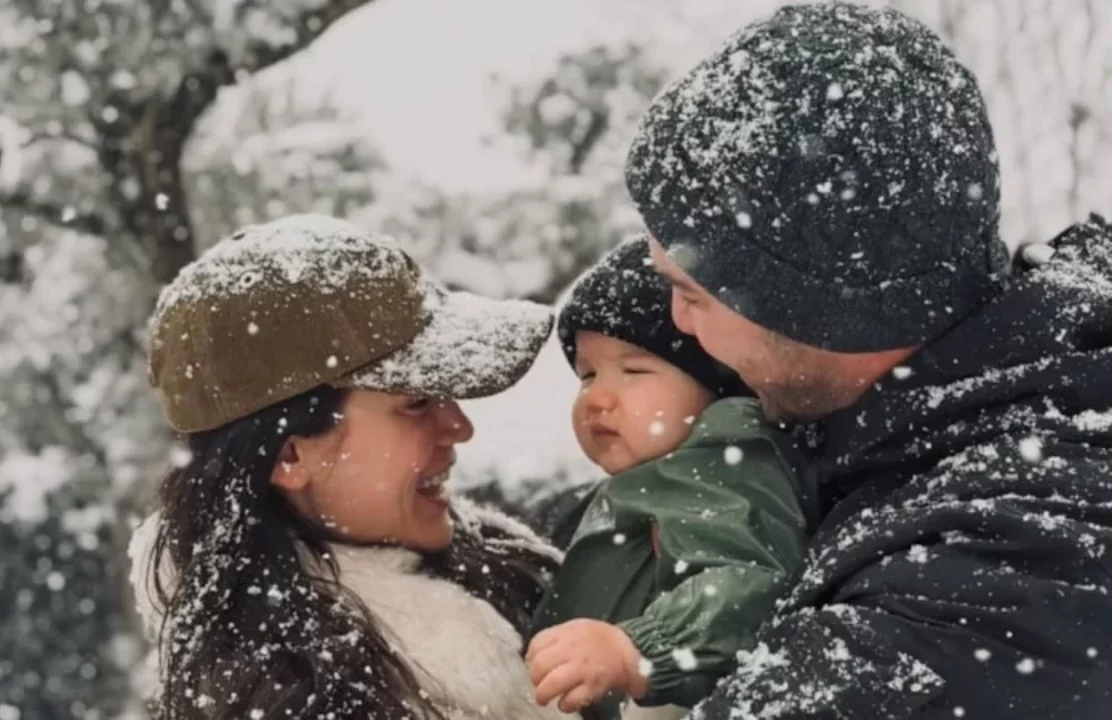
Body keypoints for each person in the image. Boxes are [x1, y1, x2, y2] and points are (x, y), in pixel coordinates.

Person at [623, 2, 1112, 718]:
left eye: (691, 293)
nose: (676, 321)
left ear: (816, 306)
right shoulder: (1020, 391)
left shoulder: (964, 608)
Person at [126, 214, 576, 719]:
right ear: (291, 456)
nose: (459, 425)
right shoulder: (294, 704)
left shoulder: (517, 571)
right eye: (416, 403)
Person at [525, 235, 816, 719]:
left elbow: (746, 583)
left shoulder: (726, 465)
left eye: (634, 371)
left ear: (716, 385)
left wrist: (636, 650)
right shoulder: (645, 483)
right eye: (588, 375)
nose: (598, 398)